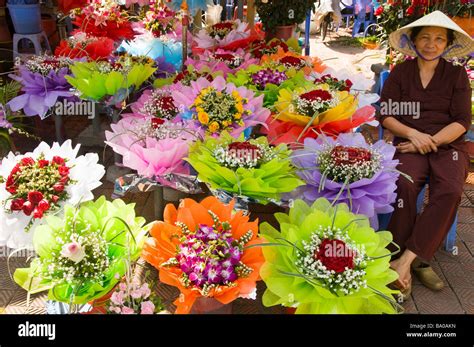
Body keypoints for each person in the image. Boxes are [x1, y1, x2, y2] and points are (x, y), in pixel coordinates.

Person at [377, 11, 473, 299]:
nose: (432, 44)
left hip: (447, 147)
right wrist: (412, 135)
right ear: (414, 41)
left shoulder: (455, 75)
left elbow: (461, 121)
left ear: (447, 44)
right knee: (404, 183)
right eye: (425, 38)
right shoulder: (401, 73)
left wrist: (425, 141)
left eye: (439, 39)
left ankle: (405, 262)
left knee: (451, 189)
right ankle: (409, 256)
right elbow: (386, 113)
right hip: (409, 142)